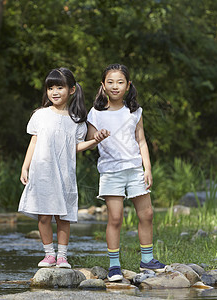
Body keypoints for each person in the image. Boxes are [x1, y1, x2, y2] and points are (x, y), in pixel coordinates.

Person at [19, 67, 108, 269]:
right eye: (51, 87)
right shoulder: (40, 115)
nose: (55, 92)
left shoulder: (77, 121)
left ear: (72, 90)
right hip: (41, 172)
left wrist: (94, 141)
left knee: (63, 217)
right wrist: (25, 167)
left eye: (60, 87)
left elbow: (75, 147)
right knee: (43, 216)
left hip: (64, 174)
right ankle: (49, 254)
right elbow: (34, 142)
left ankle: (62, 256)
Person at [87, 63, 166, 282]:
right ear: (103, 85)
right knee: (115, 217)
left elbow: (141, 141)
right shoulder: (96, 113)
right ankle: (114, 266)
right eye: (110, 82)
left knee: (147, 214)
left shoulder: (134, 111)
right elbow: (90, 143)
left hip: (134, 169)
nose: (115, 86)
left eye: (120, 82)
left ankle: (147, 259)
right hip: (111, 172)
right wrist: (98, 137)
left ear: (128, 85)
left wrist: (147, 168)